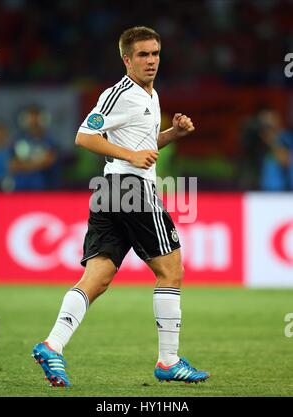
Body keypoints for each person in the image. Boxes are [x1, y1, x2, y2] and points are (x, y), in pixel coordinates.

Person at [32, 26, 210, 387]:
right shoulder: (119, 94)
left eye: (156, 53)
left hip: (111, 191)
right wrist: (131, 155)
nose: (151, 61)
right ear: (126, 59)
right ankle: (168, 362)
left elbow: (144, 145)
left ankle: (53, 345)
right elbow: (85, 136)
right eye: (143, 55)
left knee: (98, 277)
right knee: (171, 270)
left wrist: (172, 135)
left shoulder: (150, 94)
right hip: (130, 188)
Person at [9, 105, 59, 190]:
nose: (33, 122)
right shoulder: (18, 140)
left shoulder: (49, 141)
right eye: (31, 118)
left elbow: (49, 161)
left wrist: (24, 165)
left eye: (36, 119)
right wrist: (38, 163)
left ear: (42, 119)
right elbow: (13, 165)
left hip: (42, 188)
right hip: (20, 189)